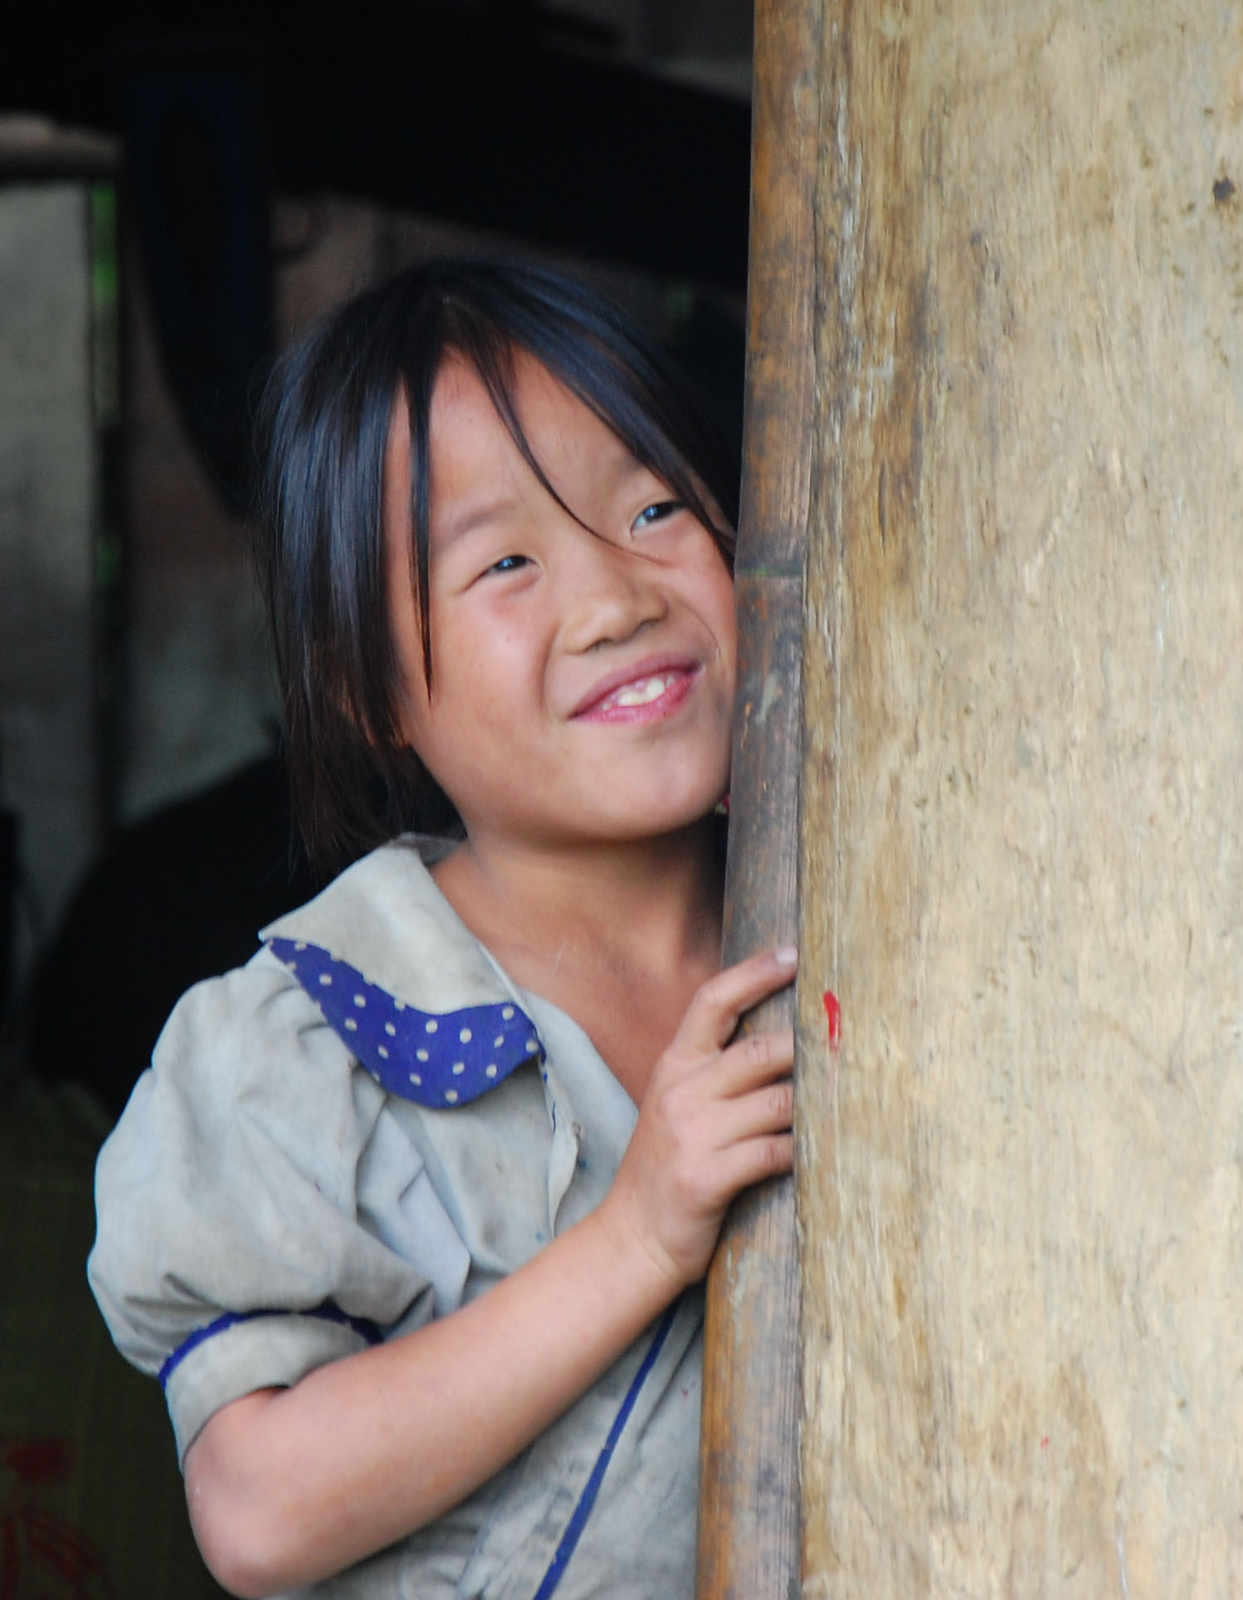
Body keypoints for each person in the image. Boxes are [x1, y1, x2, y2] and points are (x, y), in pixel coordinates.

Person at [88, 259, 795, 1600]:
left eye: (654, 507)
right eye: (508, 561)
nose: (616, 596)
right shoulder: (309, 1046)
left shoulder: (877, 939)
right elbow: (258, 1510)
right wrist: (638, 1236)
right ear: (368, 686)